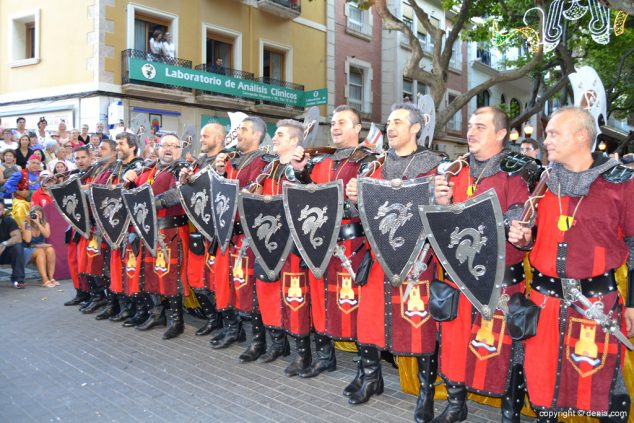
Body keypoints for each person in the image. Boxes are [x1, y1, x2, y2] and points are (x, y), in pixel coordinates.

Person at [508, 107, 633, 423]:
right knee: (543, 385)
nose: (546, 139)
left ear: (581, 136)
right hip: (543, 304)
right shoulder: (542, 180)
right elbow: (532, 238)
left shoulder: (621, 184)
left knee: (603, 388)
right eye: (547, 133)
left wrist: (633, 304)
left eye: (554, 133)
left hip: (596, 306)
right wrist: (523, 238)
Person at [433, 106, 534, 423]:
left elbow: (524, 222)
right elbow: (438, 225)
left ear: (502, 134)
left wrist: (521, 233)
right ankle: (455, 404)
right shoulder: (454, 171)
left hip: (500, 280)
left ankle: (509, 413)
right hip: (458, 277)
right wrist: (442, 204)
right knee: (454, 343)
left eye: (480, 126)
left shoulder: (516, 172)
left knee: (504, 349)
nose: (471, 132)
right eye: (470, 126)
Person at [345, 103, 445, 411]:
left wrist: (443, 198)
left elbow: (443, 215)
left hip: (419, 259)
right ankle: (373, 378)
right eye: (389, 122)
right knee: (371, 320)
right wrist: (352, 197)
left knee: (421, 327)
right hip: (379, 257)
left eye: (398, 122)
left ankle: (426, 392)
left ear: (415, 128)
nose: (391, 127)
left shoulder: (435, 165)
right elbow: (357, 215)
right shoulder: (373, 166)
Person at [290, 105, 377, 379]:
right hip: (320, 245)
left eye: (342, 122)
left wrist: (352, 202)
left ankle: (368, 371)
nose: (336, 127)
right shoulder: (322, 162)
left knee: (359, 308)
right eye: (334, 122)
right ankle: (325, 358)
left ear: (357, 128)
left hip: (353, 247)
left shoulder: (369, 161)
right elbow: (309, 195)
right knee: (320, 302)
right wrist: (301, 171)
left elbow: (374, 203)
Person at [250, 119, 311, 372]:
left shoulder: (304, 166)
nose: (274, 138)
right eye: (275, 134)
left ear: (295, 141)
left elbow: (311, 195)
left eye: (281, 135)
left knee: (295, 298)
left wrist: (301, 172)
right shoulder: (268, 168)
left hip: (293, 243)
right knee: (268, 294)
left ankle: (303, 354)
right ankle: (277, 344)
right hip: (268, 242)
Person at [210, 116, 271, 356]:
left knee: (251, 290)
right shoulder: (232, 160)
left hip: (251, 236)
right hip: (229, 233)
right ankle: (235, 329)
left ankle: (258, 340)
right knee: (231, 286)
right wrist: (220, 171)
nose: (238, 133)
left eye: (244, 130)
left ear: (257, 135)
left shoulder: (266, 162)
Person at [123, 133, 190, 340]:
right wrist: (128, 180)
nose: (169, 149)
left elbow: (178, 194)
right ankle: (157, 313)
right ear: (158, 148)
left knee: (171, 276)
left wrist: (151, 202)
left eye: (174, 145)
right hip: (148, 230)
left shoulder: (182, 170)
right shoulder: (148, 169)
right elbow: (133, 196)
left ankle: (177, 321)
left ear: (180, 150)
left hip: (171, 231)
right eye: (165, 145)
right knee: (150, 273)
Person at [179, 123, 226, 337]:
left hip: (220, 232)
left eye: (206, 136)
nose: (202, 139)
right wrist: (184, 181)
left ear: (219, 138)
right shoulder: (197, 164)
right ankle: (213, 319)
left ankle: (229, 325)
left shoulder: (227, 160)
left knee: (220, 283)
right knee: (197, 280)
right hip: (198, 229)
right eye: (201, 135)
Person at [93, 132, 145, 323]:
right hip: (112, 224)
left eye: (121, 144)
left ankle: (135, 309)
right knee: (112, 268)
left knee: (131, 270)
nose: (118, 147)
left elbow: (138, 194)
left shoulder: (139, 167)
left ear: (132, 147)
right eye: (117, 144)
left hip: (130, 226)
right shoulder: (115, 167)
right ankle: (117, 304)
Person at [63, 146, 93, 307]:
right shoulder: (74, 177)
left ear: (90, 157)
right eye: (77, 158)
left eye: (83, 157)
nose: (80, 161)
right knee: (73, 260)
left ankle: (92, 294)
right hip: (75, 224)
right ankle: (80, 292)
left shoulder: (95, 175)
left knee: (86, 262)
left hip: (90, 225)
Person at [22, 205, 56, 288]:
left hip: (41, 248)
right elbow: (27, 240)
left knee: (50, 250)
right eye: (34, 214)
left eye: (38, 214)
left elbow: (47, 235)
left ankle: (51, 278)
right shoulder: (25, 223)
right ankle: (44, 279)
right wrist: (29, 224)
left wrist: (38, 223)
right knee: (40, 251)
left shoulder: (45, 224)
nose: (36, 216)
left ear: (41, 216)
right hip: (28, 248)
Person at [0, 201, 25, 289]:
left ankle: (18, 280)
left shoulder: (9, 221)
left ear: (3, 211)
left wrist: (4, 244)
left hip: (5, 252)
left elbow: (18, 237)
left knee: (18, 248)